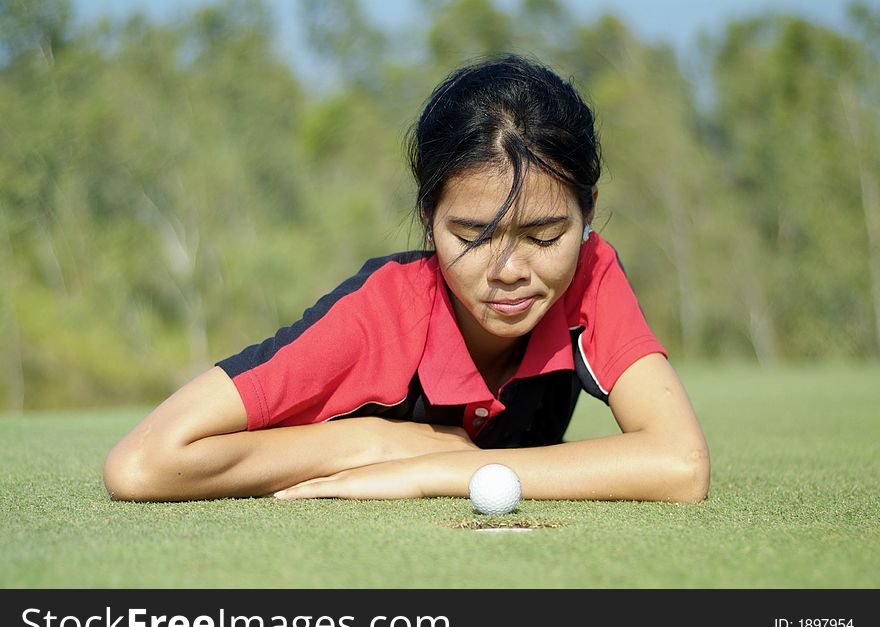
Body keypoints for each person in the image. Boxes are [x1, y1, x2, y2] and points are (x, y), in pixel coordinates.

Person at [103, 53, 710, 504]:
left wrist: (440, 472)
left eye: (544, 236)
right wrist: (374, 443)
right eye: (472, 236)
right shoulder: (382, 317)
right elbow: (141, 464)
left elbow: (679, 462)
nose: (510, 273)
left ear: (588, 212)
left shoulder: (591, 273)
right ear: (427, 218)